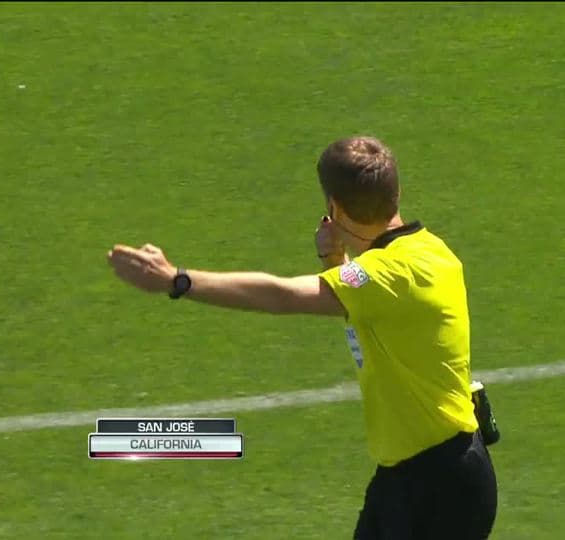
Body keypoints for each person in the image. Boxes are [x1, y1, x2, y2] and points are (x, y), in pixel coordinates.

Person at [107, 136, 498, 539]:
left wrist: (179, 280)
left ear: (334, 207)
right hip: (422, 474)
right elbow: (376, 311)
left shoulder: (384, 277)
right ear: (396, 192)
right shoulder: (430, 251)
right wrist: (336, 262)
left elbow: (283, 295)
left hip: (437, 487)